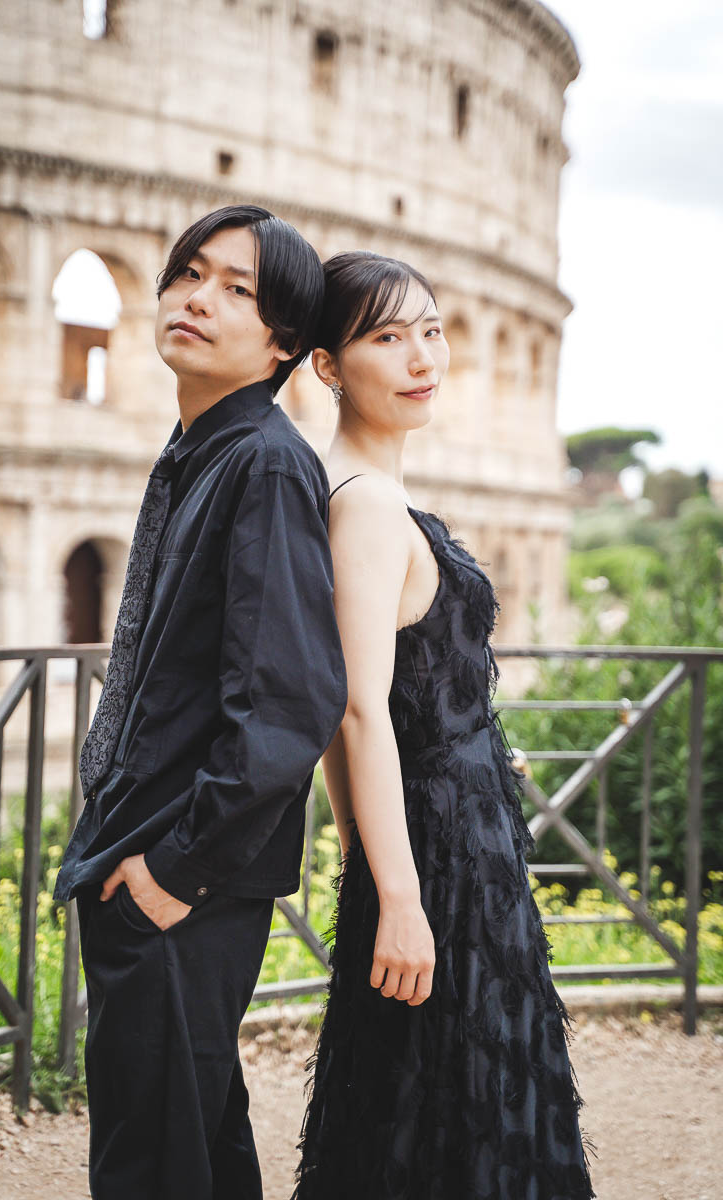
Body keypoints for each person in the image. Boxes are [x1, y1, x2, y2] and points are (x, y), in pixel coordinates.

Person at [52, 204, 348, 1200]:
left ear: (282, 345)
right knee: (191, 1137)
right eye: (189, 273)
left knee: (152, 1157)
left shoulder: (262, 462)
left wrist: (174, 870)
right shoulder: (202, 450)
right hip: (151, 860)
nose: (197, 298)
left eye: (238, 290)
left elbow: (288, 699)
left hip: (180, 878)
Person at [291, 251, 597, 1199]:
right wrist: (403, 897)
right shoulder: (369, 507)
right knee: (458, 1098)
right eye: (387, 337)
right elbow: (355, 709)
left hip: (444, 836)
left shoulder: (362, 494)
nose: (423, 356)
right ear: (329, 367)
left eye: (430, 329)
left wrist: (367, 862)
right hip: (442, 850)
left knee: (429, 1095)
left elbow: (351, 718)